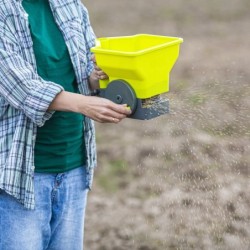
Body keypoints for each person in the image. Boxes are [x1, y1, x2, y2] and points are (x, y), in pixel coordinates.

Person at [0, 0, 131, 249]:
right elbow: (19, 86)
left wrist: (95, 77)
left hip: (74, 165)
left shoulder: (70, 4)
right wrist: (84, 104)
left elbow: (84, 73)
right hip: (19, 173)